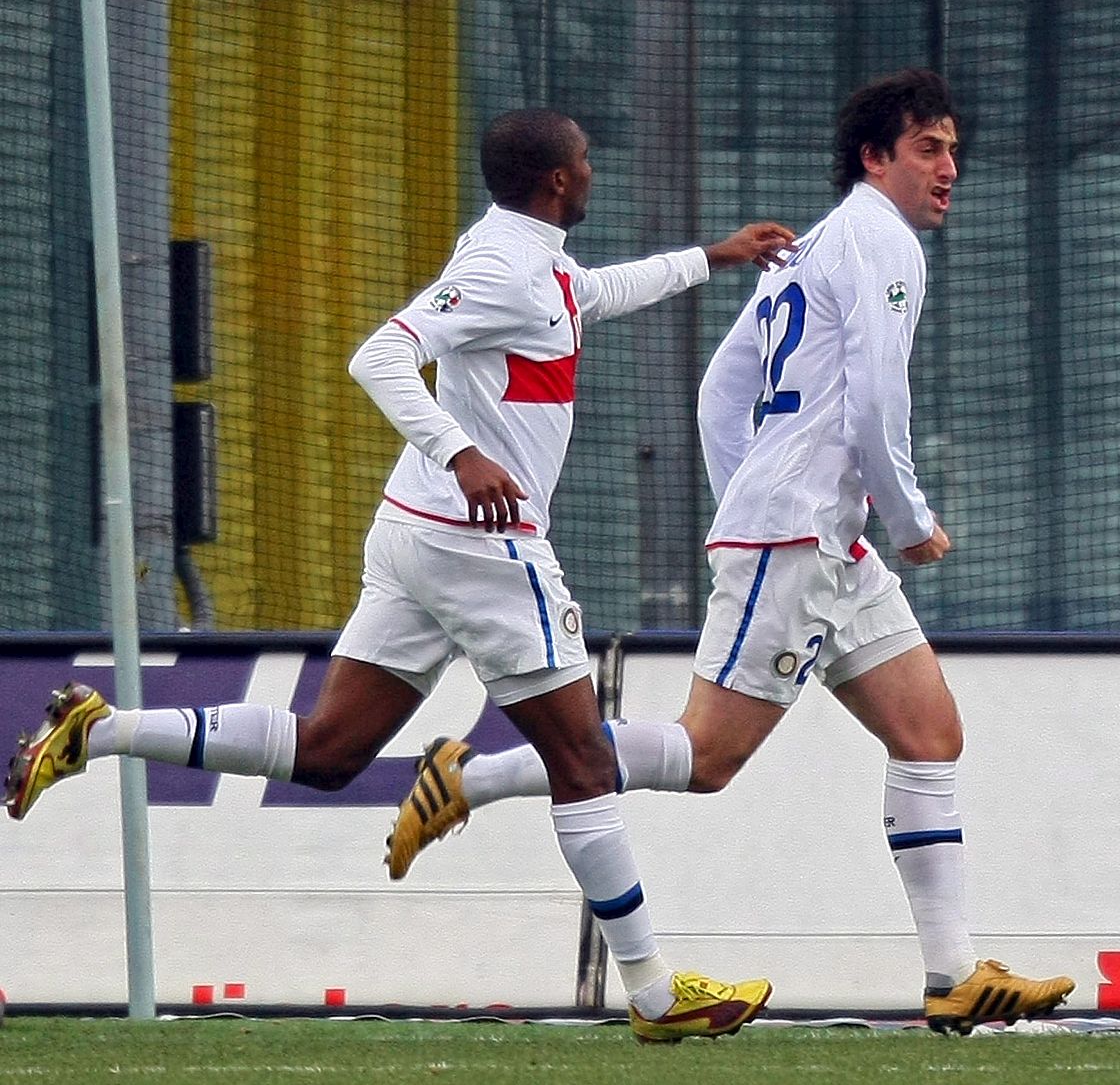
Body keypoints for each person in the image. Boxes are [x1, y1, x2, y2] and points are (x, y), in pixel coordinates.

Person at [4, 107, 796, 1044]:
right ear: (557, 181)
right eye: (585, 160)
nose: (593, 171)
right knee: (582, 762)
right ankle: (658, 994)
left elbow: (592, 293)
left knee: (333, 749)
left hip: (415, 534)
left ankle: (99, 730)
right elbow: (377, 355)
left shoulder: (534, 257)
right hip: (480, 543)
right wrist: (462, 451)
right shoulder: (501, 264)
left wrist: (718, 253)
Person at [385, 71, 1076, 1035]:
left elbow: (723, 386)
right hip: (800, 537)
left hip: (816, 535)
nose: (949, 168)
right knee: (708, 759)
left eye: (954, 149)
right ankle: (478, 775)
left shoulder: (818, 242)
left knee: (930, 733)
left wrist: (751, 496)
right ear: (876, 158)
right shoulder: (879, 240)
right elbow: (877, 401)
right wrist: (902, 517)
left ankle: (954, 974)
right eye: (929, 148)